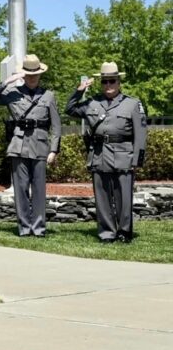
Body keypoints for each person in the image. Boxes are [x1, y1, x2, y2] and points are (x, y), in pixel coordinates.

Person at [65, 62, 147, 243]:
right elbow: (70, 109)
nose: (108, 85)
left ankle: (124, 232)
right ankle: (107, 232)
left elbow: (140, 134)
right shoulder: (93, 103)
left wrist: (137, 160)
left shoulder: (132, 104)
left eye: (112, 81)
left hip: (123, 156)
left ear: (119, 82)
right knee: (102, 197)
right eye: (105, 82)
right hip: (99, 155)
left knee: (124, 198)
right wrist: (79, 91)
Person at [0, 54, 61, 237]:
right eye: (28, 73)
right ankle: (24, 227)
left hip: (41, 145)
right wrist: (7, 82)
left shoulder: (48, 96)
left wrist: (54, 149)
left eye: (35, 74)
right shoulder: (12, 94)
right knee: (20, 189)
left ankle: (39, 227)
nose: (32, 77)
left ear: (40, 74)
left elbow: (56, 125)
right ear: (23, 74)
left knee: (39, 189)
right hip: (18, 145)